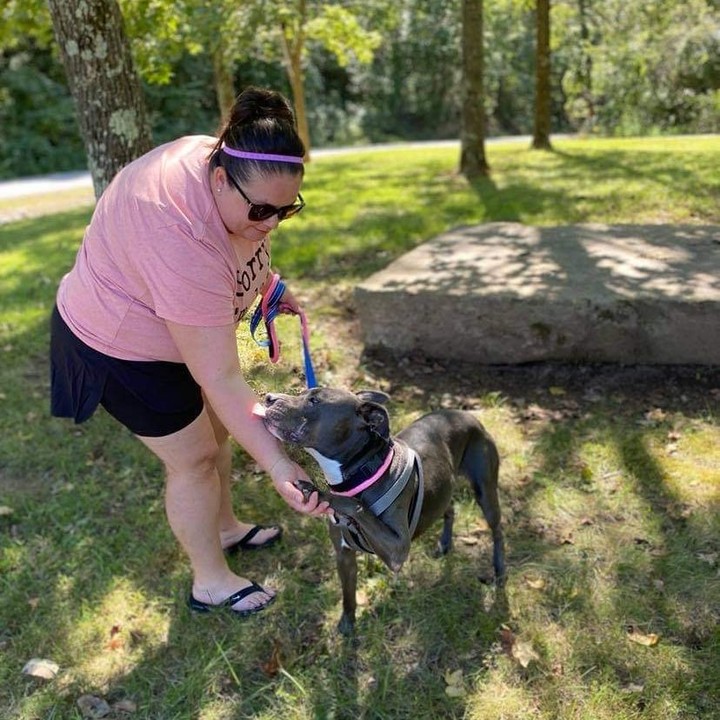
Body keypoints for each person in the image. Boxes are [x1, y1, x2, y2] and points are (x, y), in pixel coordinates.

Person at [49, 86, 330, 617]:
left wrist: (266, 284)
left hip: (172, 330)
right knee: (195, 458)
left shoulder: (232, 162)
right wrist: (277, 463)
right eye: (262, 210)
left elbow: (244, 244)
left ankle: (224, 529)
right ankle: (211, 581)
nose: (271, 223)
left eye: (285, 211)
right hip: (118, 345)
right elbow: (222, 377)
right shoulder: (177, 232)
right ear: (220, 179)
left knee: (219, 431)